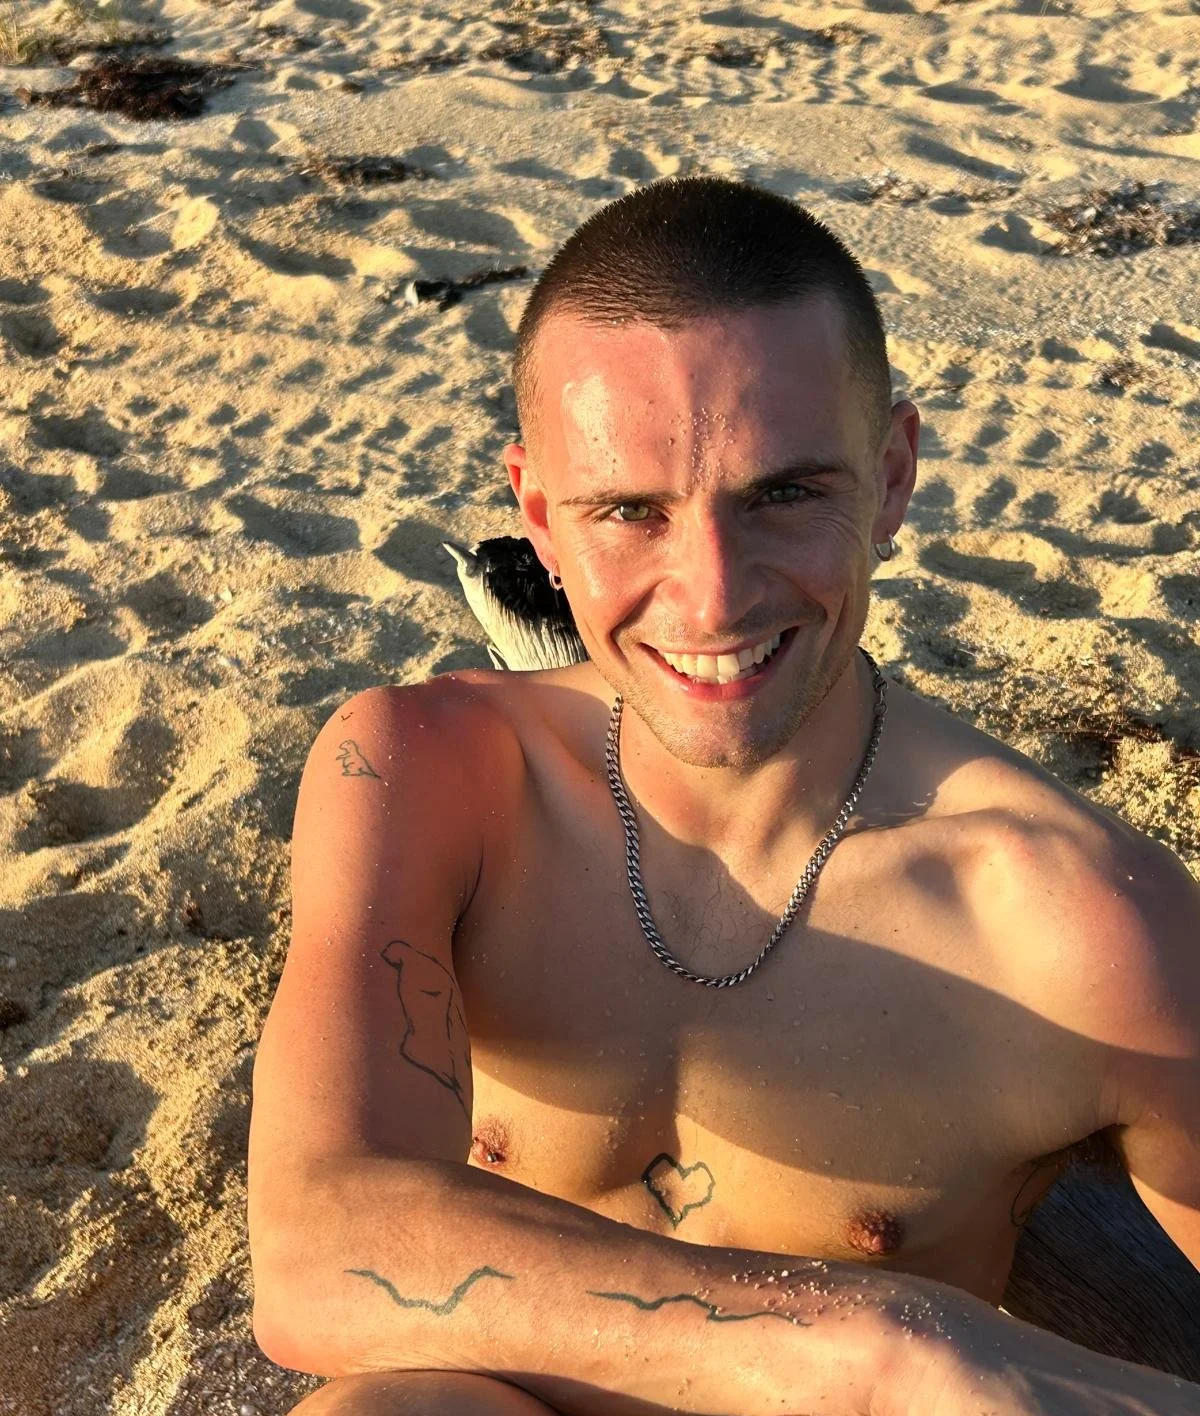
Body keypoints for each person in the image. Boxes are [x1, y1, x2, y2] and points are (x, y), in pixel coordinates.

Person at [246, 177, 1200, 1416]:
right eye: (628, 512)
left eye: (785, 495)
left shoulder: (1073, 919)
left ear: (895, 475)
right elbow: (317, 1257)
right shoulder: (431, 774)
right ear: (537, 514)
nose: (710, 597)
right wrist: (877, 1345)